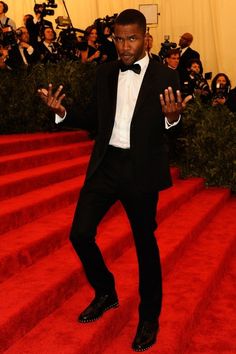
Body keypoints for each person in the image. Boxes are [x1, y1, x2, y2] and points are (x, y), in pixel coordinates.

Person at [38, 9, 190, 352]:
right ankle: (106, 291)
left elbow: (175, 127)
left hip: (140, 170)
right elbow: (96, 117)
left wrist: (173, 118)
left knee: (144, 244)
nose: (124, 46)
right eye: (119, 38)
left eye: (132, 38)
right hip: (106, 166)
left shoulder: (167, 75)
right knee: (79, 233)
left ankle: (150, 316)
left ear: (145, 38)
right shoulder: (105, 72)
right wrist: (63, 112)